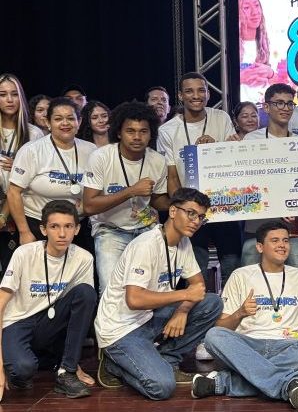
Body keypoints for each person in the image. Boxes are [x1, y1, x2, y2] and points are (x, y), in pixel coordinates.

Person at [191, 221, 298, 409]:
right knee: (213, 336)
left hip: (287, 346)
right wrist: (240, 313)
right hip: (247, 346)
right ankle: (288, 384)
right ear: (259, 247)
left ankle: (223, 383)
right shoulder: (240, 275)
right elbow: (221, 327)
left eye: (285, 240)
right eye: (275, 240)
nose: (282, 245)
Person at [94, 188, 223, 400]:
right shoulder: (146, 245)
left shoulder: (183, 242)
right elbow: (134, 299)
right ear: (172, 211)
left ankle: (167, 360)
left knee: (212, 303)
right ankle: (113, 364)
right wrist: (183, 295)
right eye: (190, 213)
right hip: (122, 329)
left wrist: (182, 311)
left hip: (150, 317)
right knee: (161, 387)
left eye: (200, 217)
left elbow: (198, 286)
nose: (196, 221)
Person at [0, 200, 96, 399]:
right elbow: (0, 304)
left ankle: (66, 371)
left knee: (86, 293)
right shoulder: (24, 253)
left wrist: (73, 364)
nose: (62, 233)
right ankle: (22, 364)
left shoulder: (84, 258)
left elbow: (80, 305)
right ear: (44, 229)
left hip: (48, 321)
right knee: (22, 370)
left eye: (68, 226)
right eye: (54, 226)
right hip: (18, 322)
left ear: (77, 229)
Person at [156, 72, 241, 286]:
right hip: (192, 210)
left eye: (201, 90)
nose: (196, 96)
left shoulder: (221, 118)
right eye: (189, 91)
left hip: (224, 205)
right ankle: (198, 307)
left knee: (232, 265)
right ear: (180, 95)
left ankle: (231, 307)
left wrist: (215, 149)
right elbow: (172, 176)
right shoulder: (167, 130)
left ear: (208, 93)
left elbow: (234, 160)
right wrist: (184, 209)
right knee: (196, 270)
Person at [83, 102, 169, 294]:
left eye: (143, 131)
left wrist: (179, 202)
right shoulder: (101, 157)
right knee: (110, 291)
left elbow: (157, 201)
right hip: (110, 229)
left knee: (153, 289)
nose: (137, 137)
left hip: (146, 229)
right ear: (119, 133)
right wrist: (131, 191)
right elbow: (89, 206)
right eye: (130, 131)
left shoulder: (157, 160)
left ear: (151, 134)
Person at [6, 97, 96, 248]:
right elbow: (13, 192)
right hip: (37, 225)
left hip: (77, 225)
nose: (65, 123)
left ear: (79, 122)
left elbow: (98, 190)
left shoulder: (92, 150)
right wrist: (24, 232)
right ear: (48, 123)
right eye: (58, 119)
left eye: (70, 118)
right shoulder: (31, 150)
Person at [241, 84, 298, 272]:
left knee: (297, 267)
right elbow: (246, 181)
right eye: (279, 103)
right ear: (267, 107)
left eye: (289, 104)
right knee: (250, 269)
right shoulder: (251, 140)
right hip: (257, 226)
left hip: (292, 229)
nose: (285, 108)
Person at [0, 74, 44, 270]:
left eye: (14, 94)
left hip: (23, 211)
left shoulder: (34, 133)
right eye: (3, 94)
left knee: (19, 271)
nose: (9, 100)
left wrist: (20, 167)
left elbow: (39, 176)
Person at [239, 0, 273, 103]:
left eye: (257, 5)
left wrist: (270, 73)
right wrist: (240, 78)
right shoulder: (228, 47)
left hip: (266, 107)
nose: (255, 12)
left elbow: (285, 80)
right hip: (239, 107)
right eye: (246, 7)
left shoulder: (268, 42)